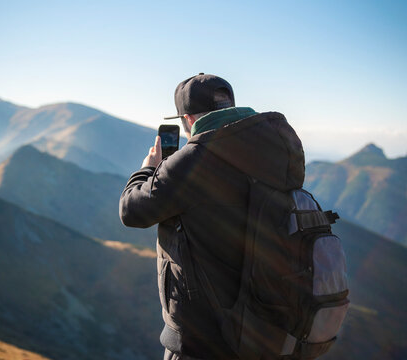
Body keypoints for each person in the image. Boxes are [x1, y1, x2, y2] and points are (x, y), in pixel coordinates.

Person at [119, 73, 305, 360]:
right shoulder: (275, 152)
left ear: (189, 119)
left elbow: (131, 211)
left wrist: (148, 170)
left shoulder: (193, 161)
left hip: (202, 339)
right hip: (262, 330)